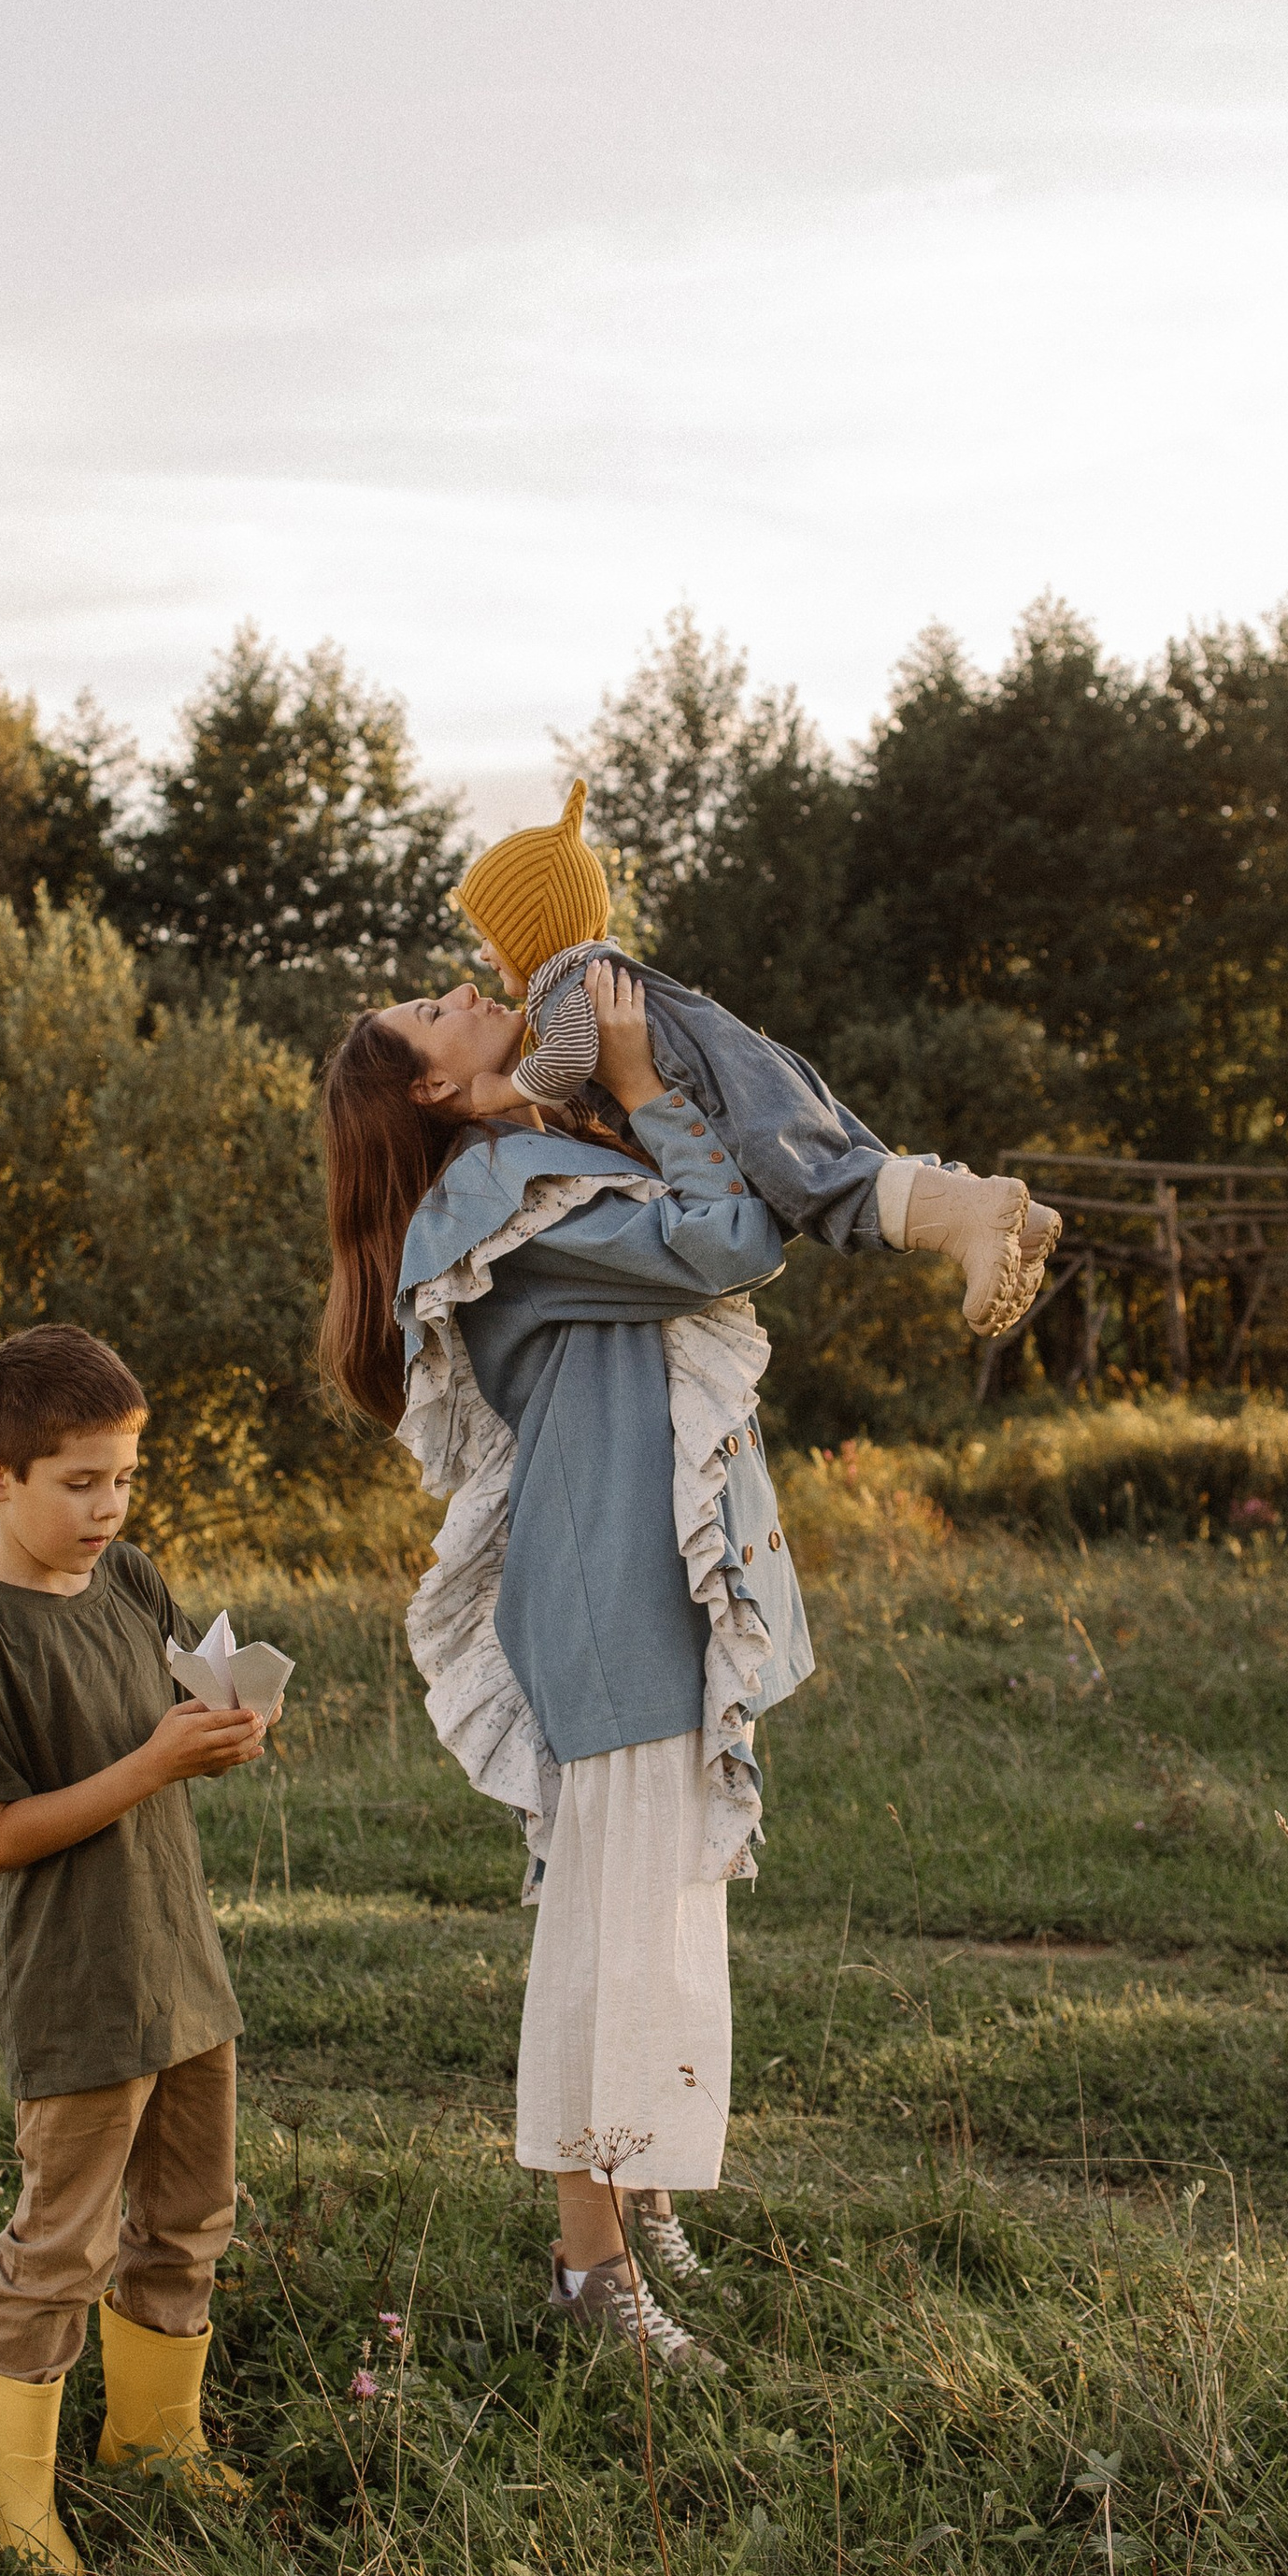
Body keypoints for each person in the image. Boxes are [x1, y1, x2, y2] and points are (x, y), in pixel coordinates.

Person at [321, 964, 812, 2367]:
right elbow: (728, 1241)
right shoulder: (495, 1201)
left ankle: (639, 2197)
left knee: (658, 1914)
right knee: (605, 1938)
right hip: (604, 1593)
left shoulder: (532, 1163)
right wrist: (648, 1087)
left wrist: (622, 1081)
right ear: (427, 1085)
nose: (466, 989)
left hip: (630, 1577)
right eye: (431, 1009)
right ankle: (588, 2273)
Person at [0, 1323, 270, 2575]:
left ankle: (151, 2436)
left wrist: (230, 1726)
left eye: (124, 1477)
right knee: (60, 2240)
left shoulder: (130, 1580)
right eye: (80, 1482)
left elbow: (185, 1707)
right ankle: (16, 2503)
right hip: (75, 1988)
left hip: (179, 1963)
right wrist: (153, 1763)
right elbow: (1, 1837)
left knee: (187, 2215)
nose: (108, 1506)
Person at [451, 781, 1060, 1336]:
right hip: (748, 1064)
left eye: (489, 934)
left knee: (818, 1186)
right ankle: (1006, 1216)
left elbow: (568, 1061)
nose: (482, 955)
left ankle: (966, 1221)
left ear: (532, 932)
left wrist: (491, 1095)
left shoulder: (563, 992)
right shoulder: (596, 971)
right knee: (845, 1159)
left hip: (724, 1088)